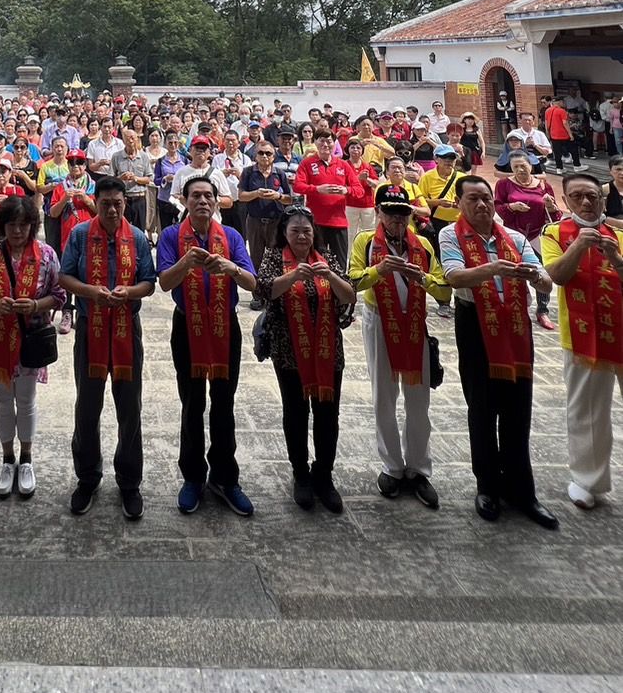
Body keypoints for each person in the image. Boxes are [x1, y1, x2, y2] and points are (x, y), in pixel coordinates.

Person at [438, 176, 558, 529]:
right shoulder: (450, 235)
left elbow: (545, 278)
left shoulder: (516, 238)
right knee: (483, 407)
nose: (481, 205)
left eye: (486, 198)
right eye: (472, 199)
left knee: (518, 408)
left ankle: (523, 491)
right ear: (459, 203)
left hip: (515, 327)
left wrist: (538, 280)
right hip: (476, 325)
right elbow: (454, 276)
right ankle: (487, 486)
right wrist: (492, 269)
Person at [156, 175, 258, 516]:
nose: (202, 201)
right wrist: (186, 262)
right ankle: (193, 478)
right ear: (185, 201)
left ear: (216, 202)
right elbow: (165, 283)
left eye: (207, 196)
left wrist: (229, 267)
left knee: (224, 404)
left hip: (225, 327)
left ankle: (226, 478)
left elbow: (251, 281)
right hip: (187, 326)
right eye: (195, 195)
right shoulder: (172, 236)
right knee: (192, 404)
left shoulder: (230, 236)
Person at [59, 176, 157, 520]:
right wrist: (90, 291)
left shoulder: (139, 238)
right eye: (105, 204)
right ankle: (87, 477)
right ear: (95, 203)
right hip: (91, 328)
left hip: (127, 329)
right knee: (87, 405)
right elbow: (64, 276)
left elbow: (148, 281)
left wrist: (128, 293)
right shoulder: (81, 235)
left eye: (118, 203)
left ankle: (129, 482)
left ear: (125, 203)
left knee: (129, 406)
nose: (112, 209)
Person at [349, 186, 449, 509]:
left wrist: (423, 280)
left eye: (402, 213)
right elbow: (351, 282)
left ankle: (419, 468)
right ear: (378, 212)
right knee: (384, 395)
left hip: (415, 322)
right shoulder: (365, 242)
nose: (397, 219)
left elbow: (445, 292)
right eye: (390, 212)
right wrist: (379, 270)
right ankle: (392, 466)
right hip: (379, 320)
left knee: (418, 400)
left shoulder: (421, 245)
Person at [260, 209, 356, 513]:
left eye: (307, 231)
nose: (302, 237)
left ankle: (324, 474)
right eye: (295, 231)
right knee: (296, 412)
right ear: (284, 233)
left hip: (329, 351)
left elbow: (349, 296)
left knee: (328, 415)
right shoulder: (275, 256)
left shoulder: (326, 257)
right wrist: (292, 276)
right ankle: (300, 473)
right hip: (290, 351)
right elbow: (264, 290)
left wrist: (330, 277)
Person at [0, 196, 65, 500]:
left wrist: (36, 304)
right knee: (1, 399)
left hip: (29, 339)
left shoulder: (47, 255)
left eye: (24, 225)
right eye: (11, 224)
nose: (17, 231)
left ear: (33, 226)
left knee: (26, 399)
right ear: (2, 225)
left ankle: (26, 458)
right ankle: (7, 458)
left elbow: (60, 294)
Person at [540, 172, 623, 512]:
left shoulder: (618, 233)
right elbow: (556, 275)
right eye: (577, 196)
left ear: (603, 199)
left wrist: (616, 258)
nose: (586, 202)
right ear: (565, 200)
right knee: (586, 409)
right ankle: (586, 480)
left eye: (592, 196)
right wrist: (578, 245)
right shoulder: (554, 233)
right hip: (582, 334)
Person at [493, 152, 557, 329]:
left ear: (531, 165)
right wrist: (511, 207)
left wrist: (550, 206)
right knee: (511, 270)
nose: (520, 169)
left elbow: (556, 215)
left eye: (523, 165)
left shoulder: (543, 185)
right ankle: (513, 305)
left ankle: (542, 309)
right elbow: (498, 206)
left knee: (541, 271)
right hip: (513, 233)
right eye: (515, 167)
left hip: (537, 234)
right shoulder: (504, 184)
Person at [291, 130, 364, 264]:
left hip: (339, 222)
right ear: (315, 142)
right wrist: (317, 189)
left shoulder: (343, 165)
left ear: (334, 144)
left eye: (329, 141)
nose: (325, 144)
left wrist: (345, 190)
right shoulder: (307, 163)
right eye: (322, 141)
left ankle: (339, 285)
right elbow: (297, 186)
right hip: (316, 222)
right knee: (316, 262)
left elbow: (359, 190)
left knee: (340, 263)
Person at [48, 152, 95, 334]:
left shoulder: (92, 186)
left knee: (86, 275)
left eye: (80, 162)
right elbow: (52, 213)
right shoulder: (61, 187)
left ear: (85, 165)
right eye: (72, 163)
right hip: (67, 238)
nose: (76, 166)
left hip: (89, 238)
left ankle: (84, 312)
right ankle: (67, 311)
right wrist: (64, 199)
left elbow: (100, 210)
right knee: (67, 276)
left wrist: (87, 201)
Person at [237, 143, 292, 278]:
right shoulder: (248, 172)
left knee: (276, 257)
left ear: (274, 156)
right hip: (255, 221)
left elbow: (290, 199)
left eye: (268, 153)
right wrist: (256, 193)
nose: (264, 156)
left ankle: (275, 290)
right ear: (256, 156)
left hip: (276, 221)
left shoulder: (279, 173)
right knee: (256, 258)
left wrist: (277, 196)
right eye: (261, 153)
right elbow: (241, 196)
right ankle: (257, 292)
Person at [171, 136, 233, 218]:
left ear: (209, 152)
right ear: (190, 150)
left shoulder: (217, 174)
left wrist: (215, 199)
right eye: (197, 148)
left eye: (204, 148)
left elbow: (229, 202)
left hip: (212, 222)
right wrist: (182, 200)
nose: (200, 151)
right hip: (188, 222)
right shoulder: (181, 173)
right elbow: (172, 197)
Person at [111, 128, 152, 233]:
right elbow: (110, 179)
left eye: (133, 138)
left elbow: (149, 178)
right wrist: (121, 178)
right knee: (122, 230)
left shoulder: (143, 156)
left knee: (139, 231)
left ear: (137, 139)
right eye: (127, 138)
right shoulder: (116, 157)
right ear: (123, 140)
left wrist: (136, 178)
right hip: (123, 199)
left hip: (139, 198)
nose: (130, 140)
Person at [212, 129, 249, 237]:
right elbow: (212, 180)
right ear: (223, 142)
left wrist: (239, 175)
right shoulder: (218, 159)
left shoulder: (245, 159)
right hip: (223, 202)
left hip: (240, 202)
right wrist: (221, 174)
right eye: (227, 140)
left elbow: (250, 181)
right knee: (223, 234)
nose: (230, 143)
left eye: (233, 140)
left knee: (241, 234)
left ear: (238, 142)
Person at [344, 137, 379, 246]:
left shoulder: (367, 166)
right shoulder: (344, 165)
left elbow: (376, 184)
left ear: (362, 151)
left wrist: (367, 179)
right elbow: (342, 184)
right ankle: (349, 258)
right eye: (352, 147)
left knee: (369, 232)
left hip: (367, 204)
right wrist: (359, 178)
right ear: (348, 150)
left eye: (358, 148)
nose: (355, 150)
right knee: (350, 233)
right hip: (350, 204)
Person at [154, 131, 187, 233]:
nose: (173, 145)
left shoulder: (184, 160)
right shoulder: (161, 161)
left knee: (181, 226)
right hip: (165, 198)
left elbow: (188, 177)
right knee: (166, 228)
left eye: (175, 143)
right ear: (165, 144)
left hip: (179, 200)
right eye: (170, 143)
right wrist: (165, 179)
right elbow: (156, 180)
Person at [545, 96, 581, 171]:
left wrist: (547, 132)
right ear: (559, 102)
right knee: (574, 149)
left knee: (557, 152)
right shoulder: (562, 111)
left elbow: (546, 123)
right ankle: (577, 165)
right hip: (563, 135)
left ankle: (559, 168)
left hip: (553, 134)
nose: (564, 103)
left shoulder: (547, 110)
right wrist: (570, 134)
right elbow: (565, 123)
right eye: (563, 102)